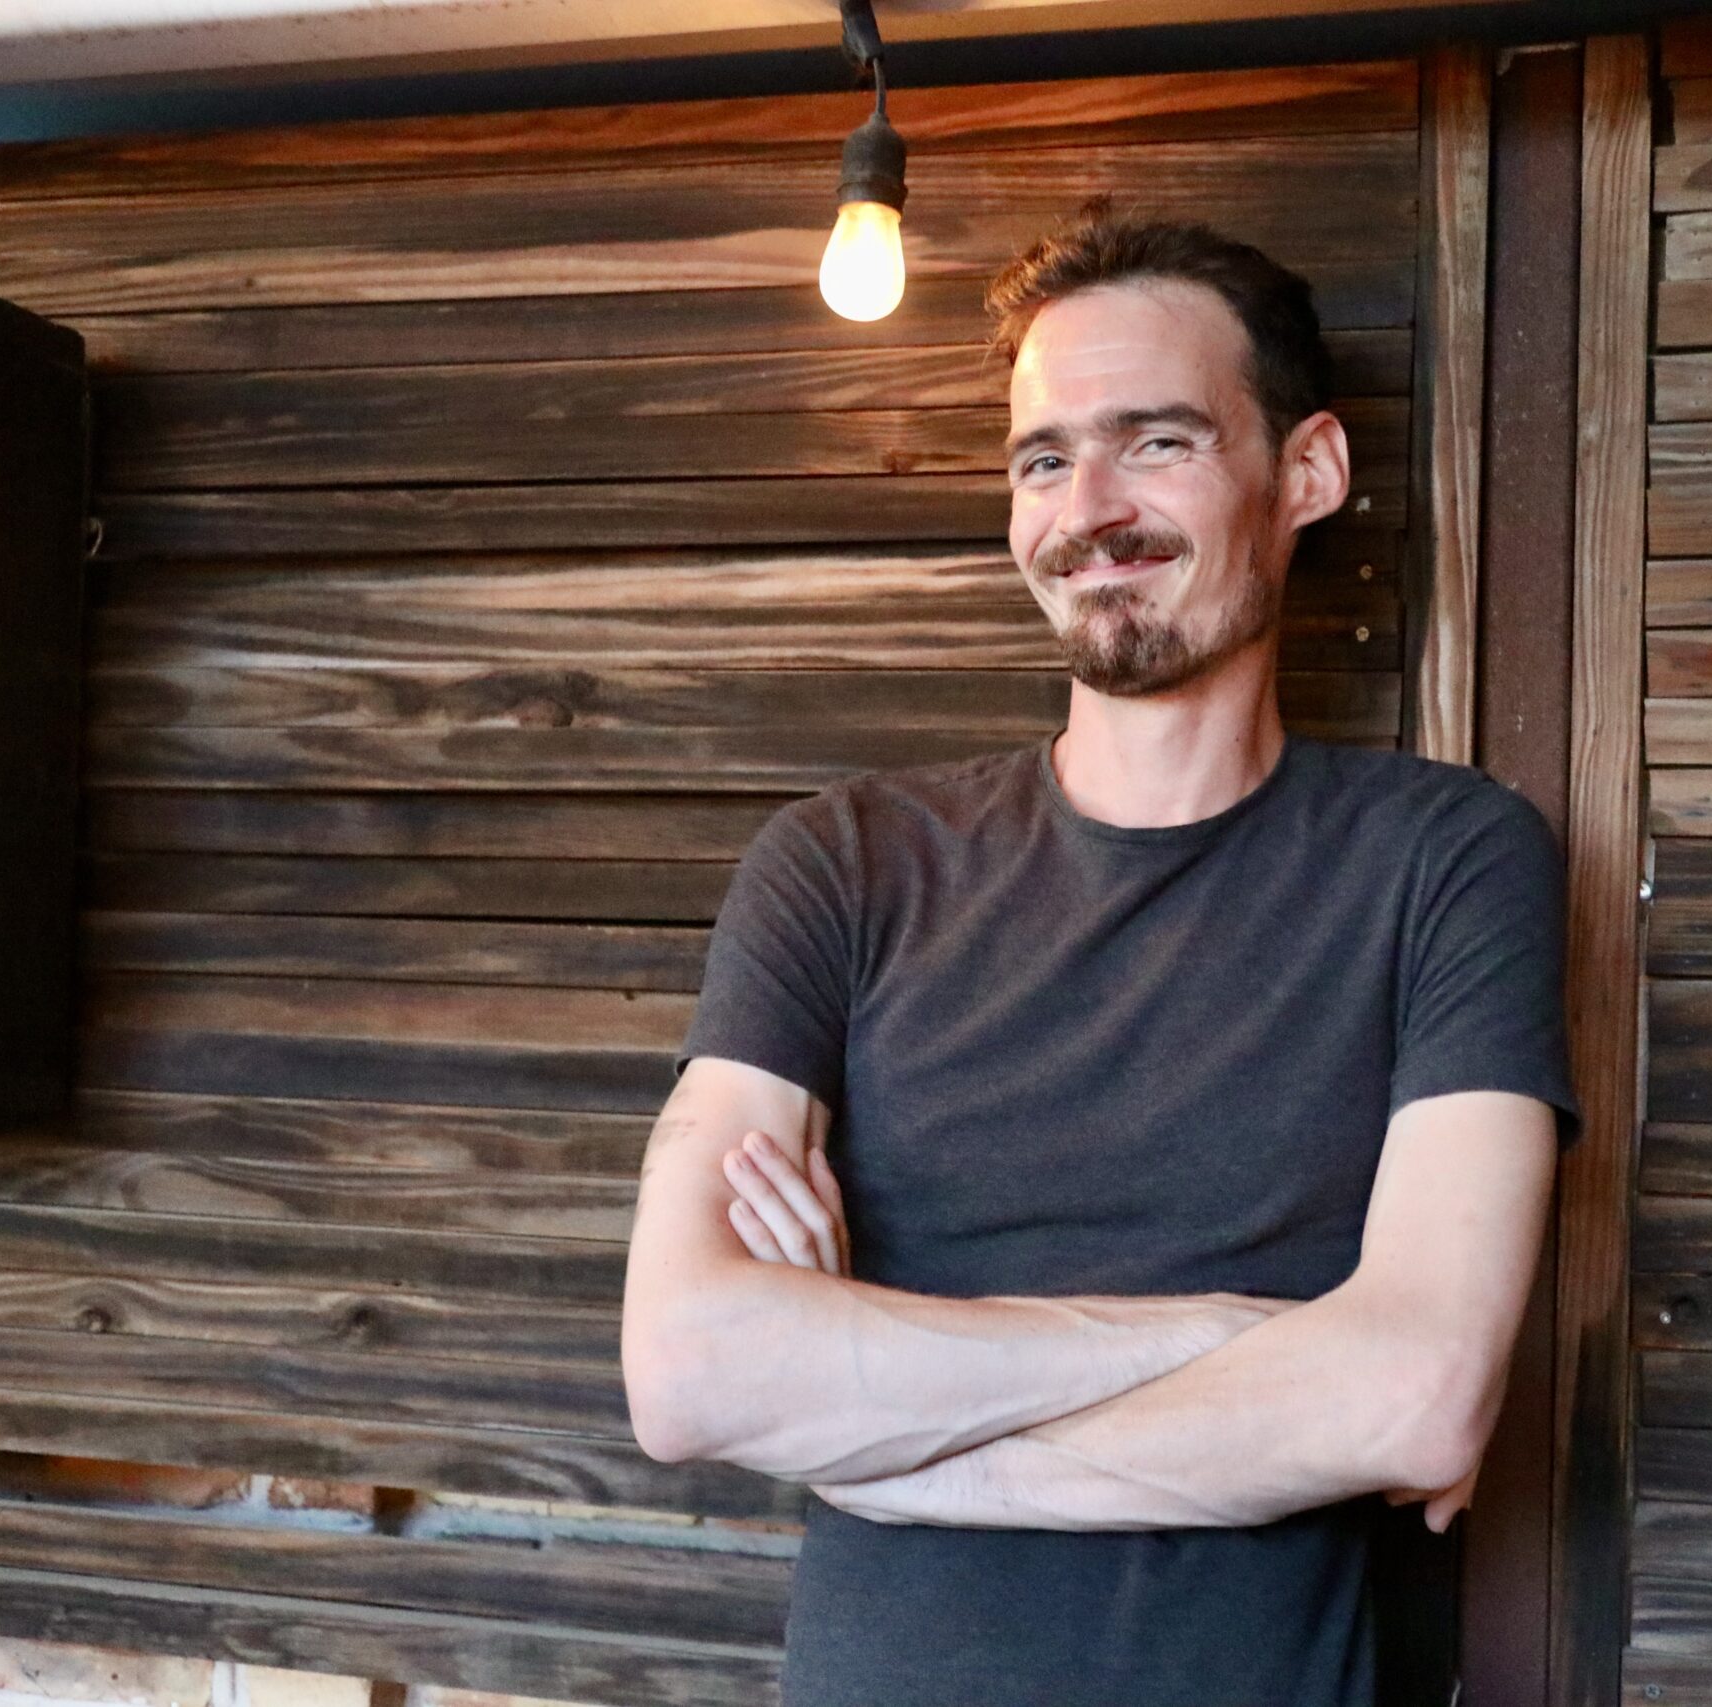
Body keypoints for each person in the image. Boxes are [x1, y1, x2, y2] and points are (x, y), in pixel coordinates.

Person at [618, 197, 1580, 1707]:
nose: (1090, 510)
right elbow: (690, 1370)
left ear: (1305, 473)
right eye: (1045, 459)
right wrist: (1239, 1345)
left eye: (1160, 441)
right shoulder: (846, 866)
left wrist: (887, 1437)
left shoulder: (1445, 862)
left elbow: (1413, 1395)